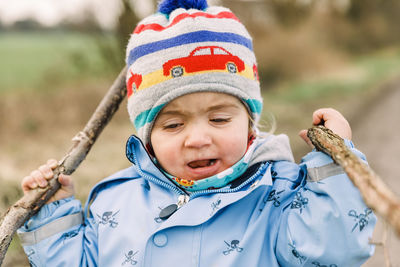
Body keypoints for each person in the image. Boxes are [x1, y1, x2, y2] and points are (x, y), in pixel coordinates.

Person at [18, 0, 376, 266]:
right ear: (147, 136)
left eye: (219, 119)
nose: (197, 138)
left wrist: (335, 167)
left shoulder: (278, 193)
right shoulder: (115, 202)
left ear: (250, 123)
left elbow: (334, 249)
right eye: (173, 124)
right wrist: (52, 214)